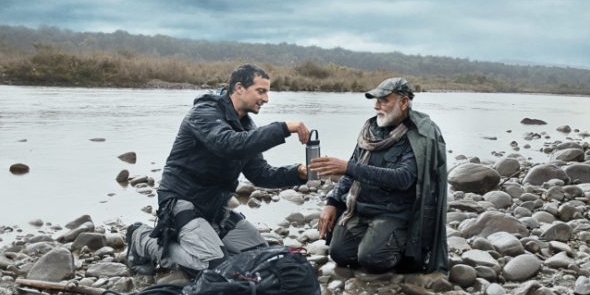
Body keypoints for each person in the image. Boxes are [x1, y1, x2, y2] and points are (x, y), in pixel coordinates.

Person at [126, 64, 310, 275]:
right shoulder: (204, 112)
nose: (266, 99)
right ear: (239, 88)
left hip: (214, 210)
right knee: (213, 268)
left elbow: (260, 174)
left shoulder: (247, 127)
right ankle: (142, 238)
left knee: (261, 257)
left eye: (267, 92)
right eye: (261, 91)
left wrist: (299, 172)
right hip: (181, 202)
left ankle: (203, 238)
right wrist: (284, 128)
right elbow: (228, 144)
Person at [309, 78, 448, 273]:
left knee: (371, 259)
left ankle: (403, 247)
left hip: (395, 213)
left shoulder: (419, 135)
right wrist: (332, 202)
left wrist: (349, 167)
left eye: (384, 101)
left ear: (404, 102)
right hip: (362, 208)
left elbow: (403, 178)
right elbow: (350, 173)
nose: (376, 106)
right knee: (339, 254)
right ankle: (374, 239)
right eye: (375, 101)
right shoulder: (371, 130)